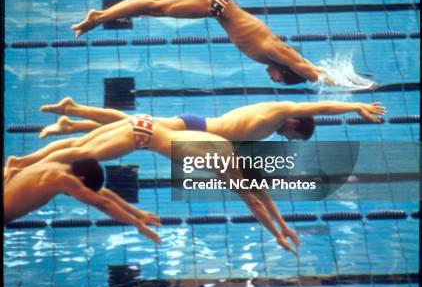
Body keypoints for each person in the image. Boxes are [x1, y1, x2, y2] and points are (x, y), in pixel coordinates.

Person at [5, 113, 305, 254]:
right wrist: (276, 232)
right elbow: (254, 201)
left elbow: (259, 195)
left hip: (143, 123)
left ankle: (22, 163)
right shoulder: (227, 165)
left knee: (81, 147)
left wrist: (283, 227)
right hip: (142, 137)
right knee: (82, 153)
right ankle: (22, 163)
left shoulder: (226, 149)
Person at [72, 0, 348, 85]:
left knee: (154, 6)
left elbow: (304, 65)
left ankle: (103, 16)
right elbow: (304, 67)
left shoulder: (270, 55)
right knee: (155, 6)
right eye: (279, 80)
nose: (272, 79)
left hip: (216, 1)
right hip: (215, 5)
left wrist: (318, 72)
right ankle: (100, 18)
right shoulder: (275, 52)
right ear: (285, 71)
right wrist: (342, 84)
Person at [37, 97, 387, 142]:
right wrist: (354, 107)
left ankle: (73, 121)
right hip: (196, 127)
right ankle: (75, 111)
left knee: (134, 125)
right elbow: (321, 106)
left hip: (199, 128)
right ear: (296, 123)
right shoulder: (278, 112)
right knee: (135, 124)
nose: (286, 139)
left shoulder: (271, 118)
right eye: (292, 138)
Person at [4, 157, 162, 243]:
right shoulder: (64, 179)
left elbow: (103, 194)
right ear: (80, 178)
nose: (74, 194)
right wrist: (137, 224)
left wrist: (138, 213)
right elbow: (102, 204)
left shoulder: (56, 166)